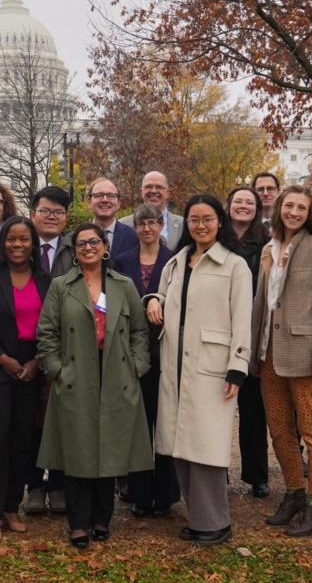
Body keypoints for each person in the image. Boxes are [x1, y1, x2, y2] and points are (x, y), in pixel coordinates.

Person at [37, 223, 152, 548]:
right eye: (81, 243)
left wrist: (137, 366)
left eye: (94, 242)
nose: (88, 247)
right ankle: (78, 523)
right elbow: (46, 333)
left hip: (117, 377)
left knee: (109, 449)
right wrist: (58, 370)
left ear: (105, 247)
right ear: (74, 252)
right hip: (76, 379)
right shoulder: (62, 286)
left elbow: (140, 332)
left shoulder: (124, 285)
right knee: (79, 451)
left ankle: (102, 518)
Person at [146, 195, 252, 547]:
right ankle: (199, 517)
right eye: (194, 219)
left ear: (219, 221)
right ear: (186, 223)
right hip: (175, 362)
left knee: (207, 446)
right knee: (179, 443)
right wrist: (154, 302)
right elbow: (158, 295)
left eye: (207, 219)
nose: (200, 225)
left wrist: (238, 366)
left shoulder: (234, 265)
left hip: (213, 366)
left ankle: (215, 522)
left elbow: (242, 319)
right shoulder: (176, 262)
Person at [249, 186, 312, 537]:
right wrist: (254, 350)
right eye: (290, 205)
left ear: (309, 212)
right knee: (280, 430)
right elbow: (261, 303)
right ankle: (295, 492)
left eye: (302, 207)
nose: (295, 212)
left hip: (305, 355)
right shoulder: (268, 249)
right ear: (280, 208)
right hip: (269, 352)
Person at [0, 215, 49, 542]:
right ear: (3, 243)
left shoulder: (45, 278)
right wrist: (1, 358)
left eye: (24, 239)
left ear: (33, 243)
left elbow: (53, 322)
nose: (18, 245)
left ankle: (11, 506)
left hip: (30, 370)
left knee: (22, 441)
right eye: (11, 239)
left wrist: (37, 361)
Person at [111, 204, 178, 517]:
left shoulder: (175, 261)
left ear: (161, 225)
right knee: (139, 425)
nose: (148, 228)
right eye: (142, 223)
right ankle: (138, 491)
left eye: (153, 222)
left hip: (166, 353)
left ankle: (165, 492)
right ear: (135, 227)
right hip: (132, 354)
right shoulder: (122, 261)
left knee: (165, 424)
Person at [24, 185, 74, 513]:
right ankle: (32, 487)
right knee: (29, 420)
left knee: (60, 419)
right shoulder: (19, 244)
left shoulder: (75, 248)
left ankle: (58, 484)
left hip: (66, 348)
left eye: (58, 212)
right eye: (45, 211)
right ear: (33, 214)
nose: (51, 217)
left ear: (66, 217)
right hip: (24, 348)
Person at [225, 185, 270, 498]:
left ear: (257, 209)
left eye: (249, 202)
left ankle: (257, 476)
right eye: (238, 201)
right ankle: (216, 472)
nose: (243, 206)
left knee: (253, 410)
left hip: (253, 330)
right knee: (216, 405)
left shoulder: (267, 243)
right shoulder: (216, 240)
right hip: (218, 329)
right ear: (229, 206)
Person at [119, 171, 183, 247]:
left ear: (168, 193)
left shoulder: (183, 224)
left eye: (159, 187)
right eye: (148, 186)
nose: (153, 191)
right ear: (141, 192)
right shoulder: (122, 225)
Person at [85, 178, 137, 258]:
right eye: (98, 195)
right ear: (89, 202)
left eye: (111, 195)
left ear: (119, 203)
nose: (105, 200)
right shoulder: (76, 238)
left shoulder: (133, 236)